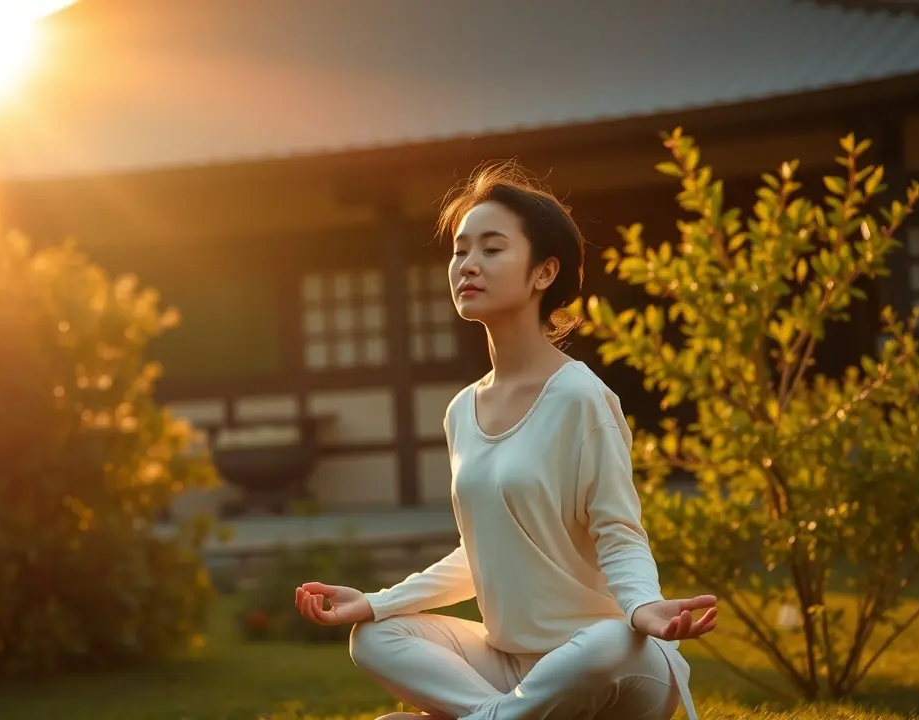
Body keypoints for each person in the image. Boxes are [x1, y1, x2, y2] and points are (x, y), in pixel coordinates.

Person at [293, 161, 717, 720]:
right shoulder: (461, 412)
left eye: (491, 250)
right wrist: (376, 602)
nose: (468, 265)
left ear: (543, 273)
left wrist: (642, 608)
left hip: (609, 666)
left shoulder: (579, 397)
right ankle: (503, 715)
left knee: (604, 642)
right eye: (460, 251)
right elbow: (479, 552)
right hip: (514, 666)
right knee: (373, 637)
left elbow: (618, 532)